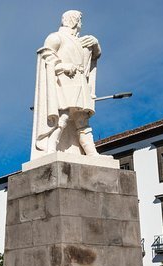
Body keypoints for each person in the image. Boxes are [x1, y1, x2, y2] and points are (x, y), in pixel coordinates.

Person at [32, 10, 101, 159]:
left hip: (80, 82)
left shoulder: (80, 40)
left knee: (82, 119)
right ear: (75, 21)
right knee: (63, 115)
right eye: (80, 20)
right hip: (65, 81)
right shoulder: (55, 37)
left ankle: (92, 153)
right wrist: (64, 67)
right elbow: (46, 62)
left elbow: (95, 55)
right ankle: (50, 149)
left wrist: (95, 43)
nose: (81, 24)